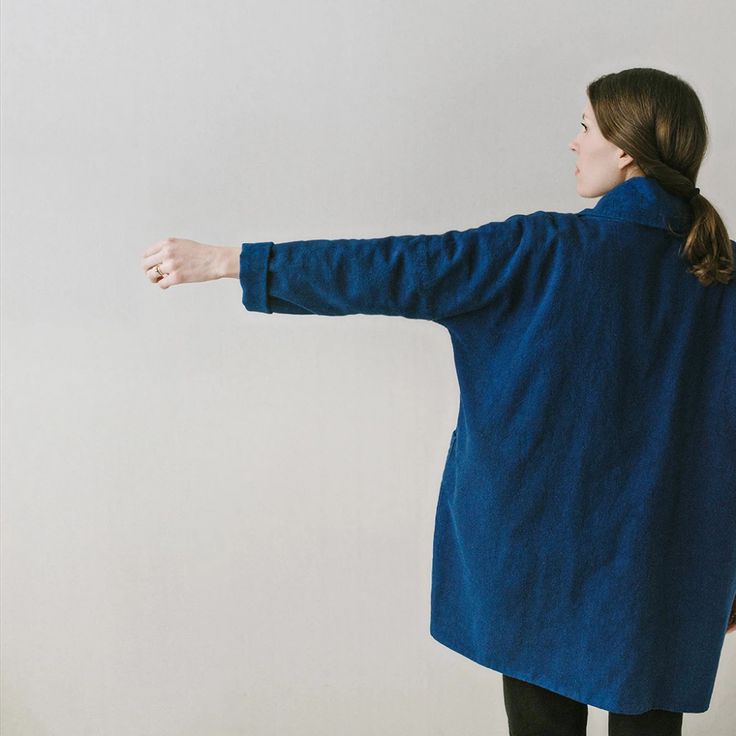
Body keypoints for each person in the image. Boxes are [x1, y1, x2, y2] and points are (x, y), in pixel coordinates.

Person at [141, 67, 735, 735]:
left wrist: (237, 262)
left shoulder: (546, 251)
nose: (574, 143)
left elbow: (398, 270)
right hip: (672, 567)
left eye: (585, 127)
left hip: (543, 568)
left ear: (625, 148)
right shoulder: (722, 270)